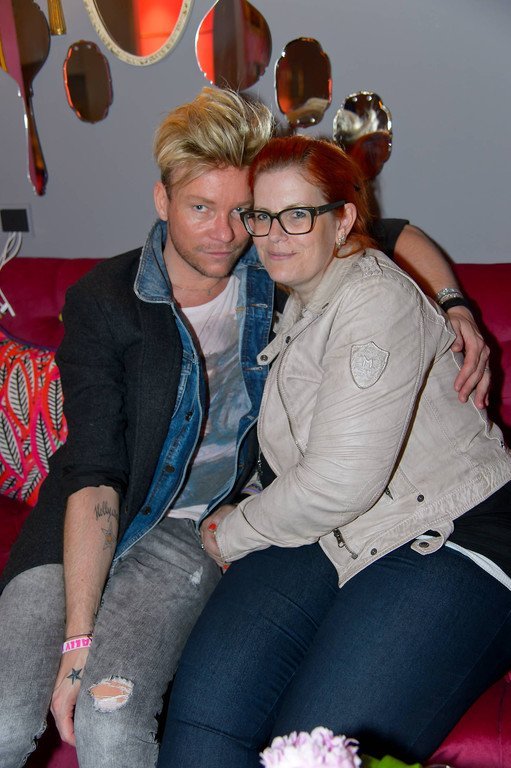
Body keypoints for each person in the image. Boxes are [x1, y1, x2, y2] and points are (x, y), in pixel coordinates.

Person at [0, 89, 491, 767]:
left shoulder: (277, 261)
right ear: (162, 200)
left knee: (114, 721)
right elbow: (93, 473)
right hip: (93, 519)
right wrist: (78, 642)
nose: (227, 234)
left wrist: (455, 306)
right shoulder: (109, 299)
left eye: (243, 212)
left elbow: (390, 232)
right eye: (201, 208)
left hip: (200, 530)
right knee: (6, 715)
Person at [157, 135, 511, 767]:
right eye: (262, 216)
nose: (273, 235)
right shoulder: (283, 284)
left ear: (343, 220)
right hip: (329, 531)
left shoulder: (375, 299)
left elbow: (337, 482)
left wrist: (228, 533)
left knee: (314, 750)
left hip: (446, 529)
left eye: (298, 214)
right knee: (202, 721)